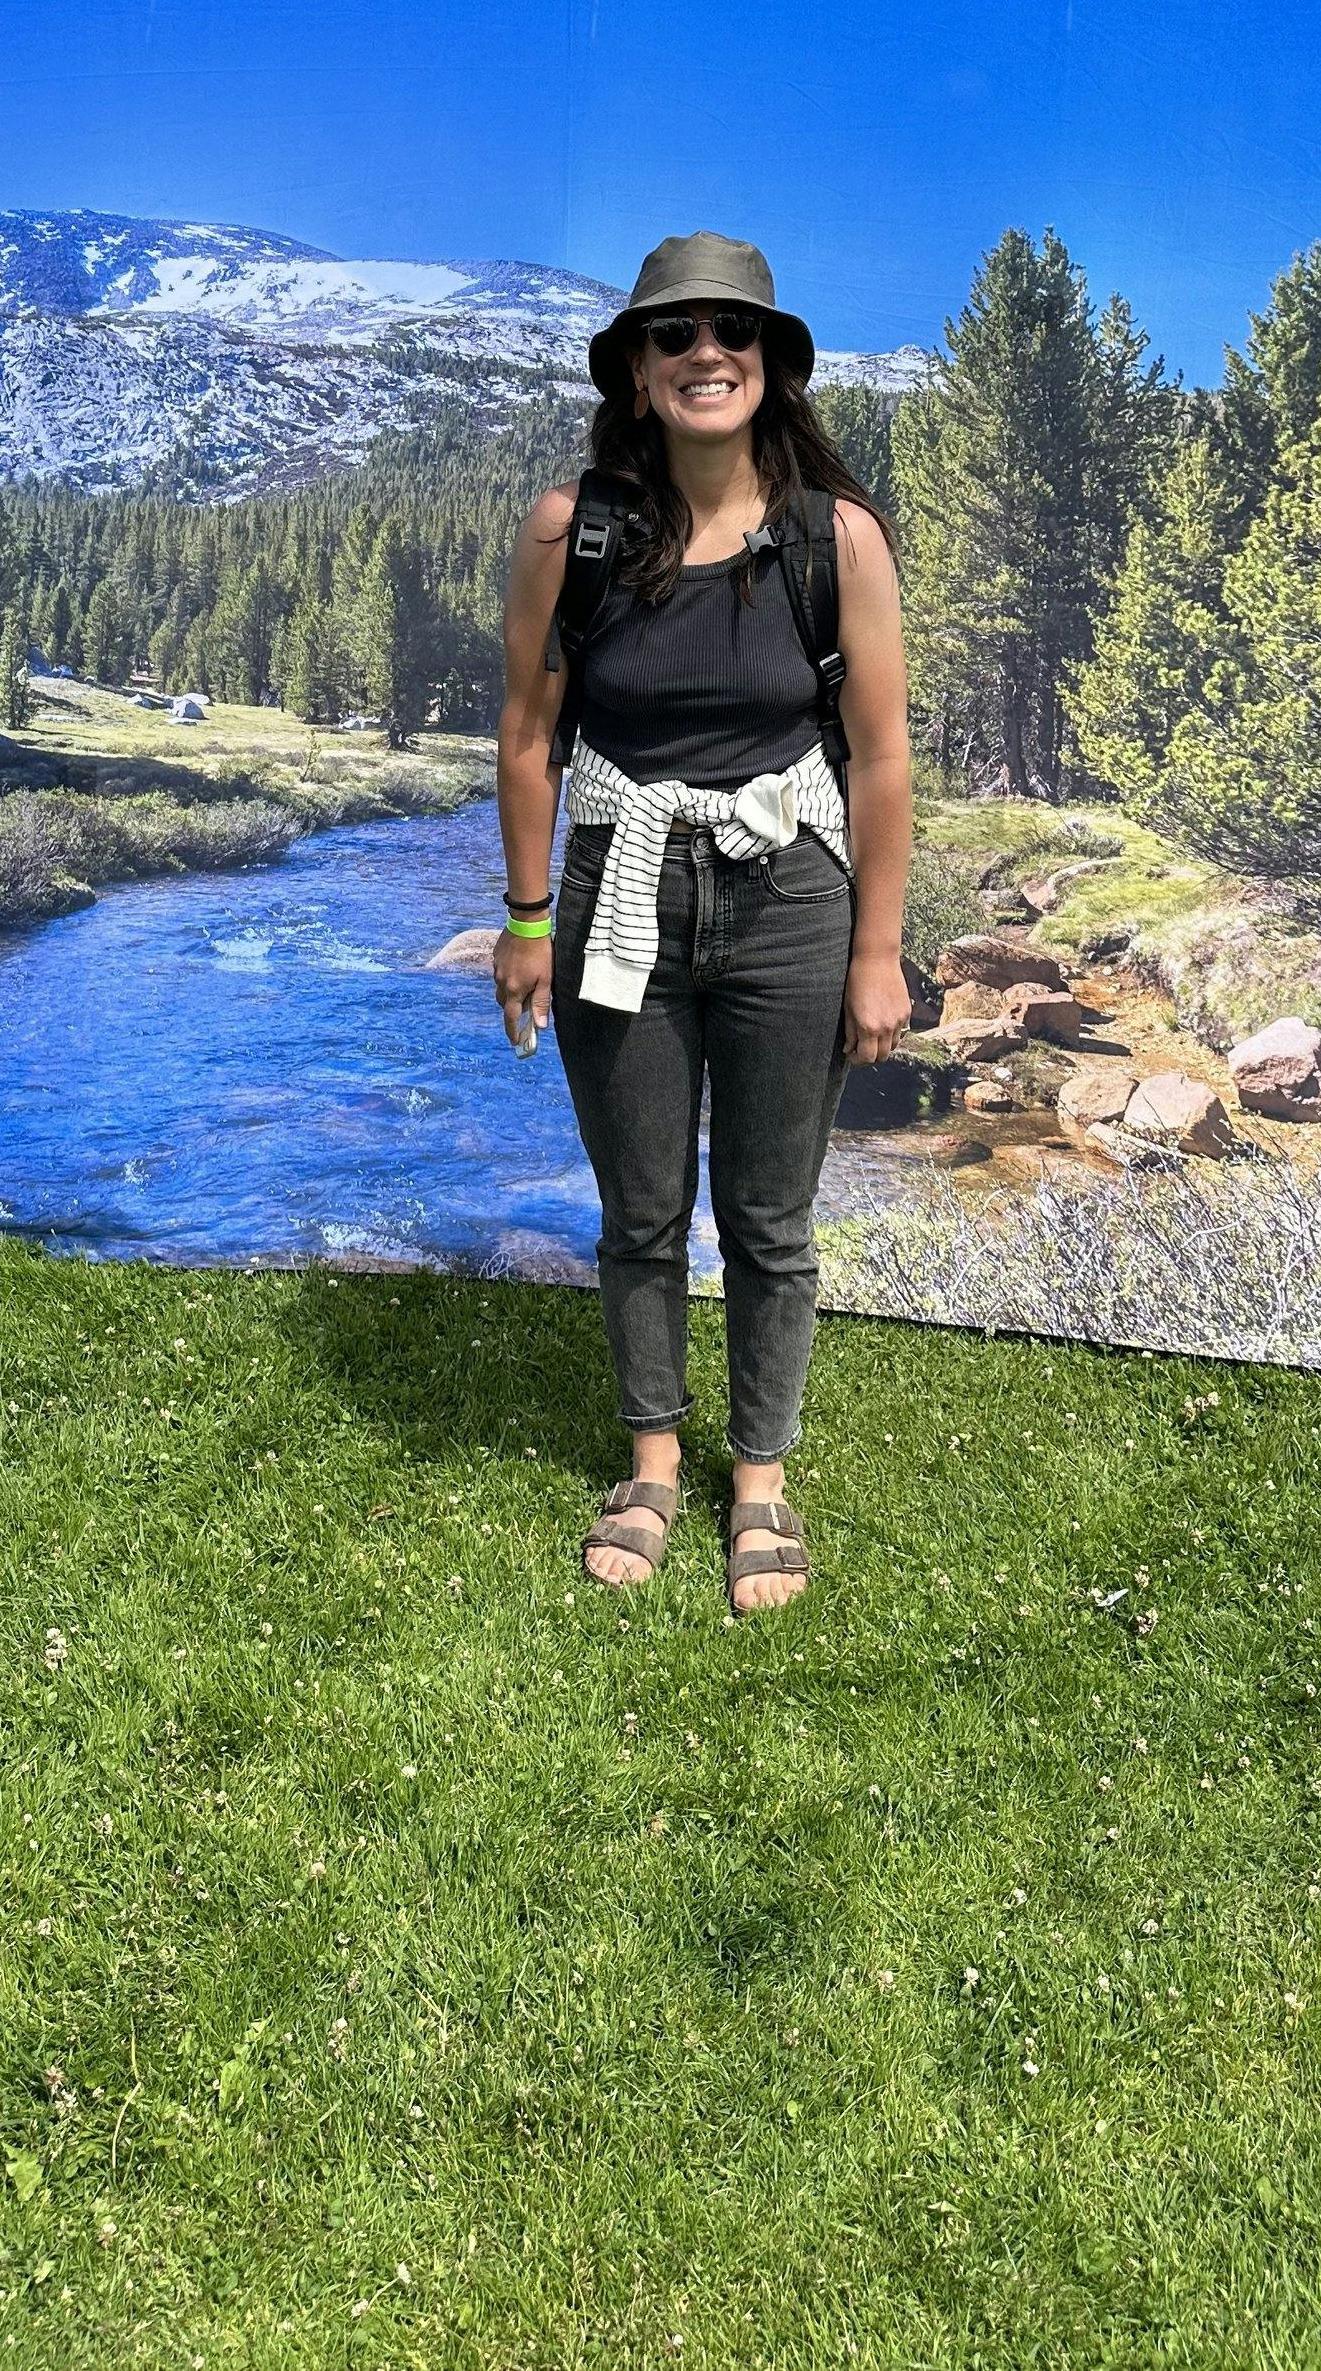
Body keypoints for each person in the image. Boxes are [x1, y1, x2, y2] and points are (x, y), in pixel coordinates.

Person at [492, 233, 913, 1615]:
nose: (705, 353)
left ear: (772, 364)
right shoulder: (572, 531)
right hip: (618, 888)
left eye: (733, 330)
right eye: (674, 334)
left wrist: (875, 951)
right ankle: (654, 1461)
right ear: (635, 371)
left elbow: (882, 758)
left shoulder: (836, 539)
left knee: (770, 1215)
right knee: (642, 1206)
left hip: (791, 895)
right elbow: (529, 737)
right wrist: (527, 920)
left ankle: (761, 1480)